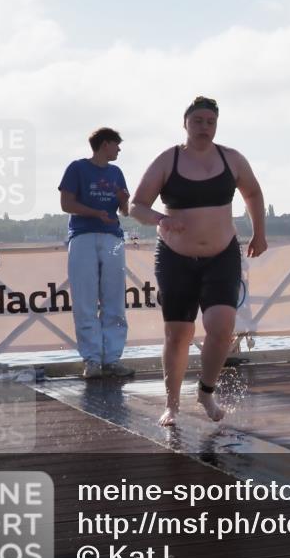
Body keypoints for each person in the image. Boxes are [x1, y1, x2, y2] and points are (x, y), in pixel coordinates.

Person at [130, 96, 267, 426]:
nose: (204, 127)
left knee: (221, 328)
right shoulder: (168, 159)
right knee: (178, 334)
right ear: (185, 123)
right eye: (198, 121)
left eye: (210, 122)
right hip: (176, 257)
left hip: (221, 255)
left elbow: (253, 194)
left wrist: (259, 233)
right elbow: (137, 206)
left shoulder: (231, 158)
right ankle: (172, 404)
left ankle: (206, 391)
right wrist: (161, 219)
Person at [59, 128, 134, 379]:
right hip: (83, 236)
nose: (119, 150)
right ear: (104, 145)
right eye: (116, 144)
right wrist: (94, 213)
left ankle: (112, 359)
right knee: (85, 299)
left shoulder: (116, 173)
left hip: (112, 237)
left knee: (114, 298)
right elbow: (66, 204)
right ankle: (92, 360)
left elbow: (124, 211)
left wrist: (123, 201)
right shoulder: (77, 168)